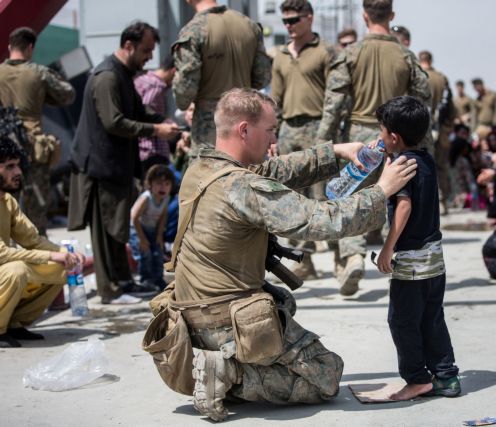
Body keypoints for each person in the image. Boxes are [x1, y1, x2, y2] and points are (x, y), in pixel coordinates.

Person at [170, 88, 417, 421]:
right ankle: (229, 372)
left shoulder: (202, 168)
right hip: (221, 319)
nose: (275, 138)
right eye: (270, 130)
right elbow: (319, 220)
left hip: (192, 314)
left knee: (282, 301)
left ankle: (226, 363)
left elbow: (275, 171)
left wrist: (336, 152)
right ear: (244, 130)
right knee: (326, 374)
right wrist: (381, 191)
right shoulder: (243, 188)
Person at [317, 0, 431, 295]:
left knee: (350, 197)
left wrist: (324, 143)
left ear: (365, 16)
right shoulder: (405, 55)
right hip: (399, 138)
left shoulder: (351, 54)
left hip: (359, 137)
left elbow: (335, 102)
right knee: (394, 197)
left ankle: (353, 254)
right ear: (391, 16)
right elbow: (423, 96)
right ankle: (394, 259)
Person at [68, 22, 180, 305]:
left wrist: (160, 121)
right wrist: (155, 131)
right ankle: (110, 289)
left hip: (116, 165)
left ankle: (123, 282)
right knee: (106, 230)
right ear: (128, 46)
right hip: (101, 166)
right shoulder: (107, 77)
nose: (148, 58)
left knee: (117, 228)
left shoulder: (123, 75)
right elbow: (113, 121)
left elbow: (136, 109)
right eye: (145, 50)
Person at [371, 96, 459, 401]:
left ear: (394, 137)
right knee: (431, 316)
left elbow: (404, 205)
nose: (380, 136)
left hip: (410, 259)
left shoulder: (401, 163)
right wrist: (387, 158)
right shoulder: (425, 159)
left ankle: (418, 379)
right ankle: (447, 377)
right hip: (434, 256)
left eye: (382, 131)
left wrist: (387, 248)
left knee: (402, 319)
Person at [270, 0, 335, 279]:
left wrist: (328, 133)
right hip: (288, 129)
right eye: (285, 21)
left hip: (317, 126)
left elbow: (333, 97)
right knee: (293, 198)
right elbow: (274, 99)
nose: (289, 26)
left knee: (321, 197)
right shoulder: (281, 55)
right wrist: (271, 133)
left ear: (309, 18)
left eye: (294, 20)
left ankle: (342, 258)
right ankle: (304, 260)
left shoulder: (325, 52)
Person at [0, 137, 84, 348]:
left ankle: (14, 323)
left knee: (63, 267)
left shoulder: (7, 201)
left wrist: (64, 253)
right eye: (10, 166)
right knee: (16, 270)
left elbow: (33, 240)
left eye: (17, 165)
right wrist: (50, 255)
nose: (18, 172)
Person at [0, 27, 76, 235]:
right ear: (30, 48)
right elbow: (67, 94)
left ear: (9, 47)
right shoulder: (38, 73)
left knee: (3, 210)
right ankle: (36, 259)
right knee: (35, 215)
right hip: (33, 150)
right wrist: (42, 95)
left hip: (3, 152)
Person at [172, 0, 271, 158]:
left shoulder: (193, 31)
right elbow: (262, 78)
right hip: (246, 122)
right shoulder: (248, 25)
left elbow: (184, 94)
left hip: (211, 130)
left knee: (208, 179)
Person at [418, 50, 456, 213]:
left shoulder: (418, 77)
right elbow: (450, 108)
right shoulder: (442, 78)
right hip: (440, 130)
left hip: (422, 129)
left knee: (423, 164)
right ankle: (443, 201)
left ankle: (428, 201)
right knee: (441, 166)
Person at [129, 165, 173, 290]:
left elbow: (163, 217)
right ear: (150, 184)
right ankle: (146, 281)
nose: (163, 187)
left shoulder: (166, 199)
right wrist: (142, 239)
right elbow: (134, 217)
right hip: (137, 230)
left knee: (158, 252)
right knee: (145, 253)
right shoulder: (146, 198)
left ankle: (158, 279)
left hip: (152, 230)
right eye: (159, 183)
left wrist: (159, 236)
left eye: (167, 184)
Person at [134, 54, 177, 173]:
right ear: (174, 71)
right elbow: (146, 114)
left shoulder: (143, 79)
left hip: (143, 151)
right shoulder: (156, 86)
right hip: (152, 151)